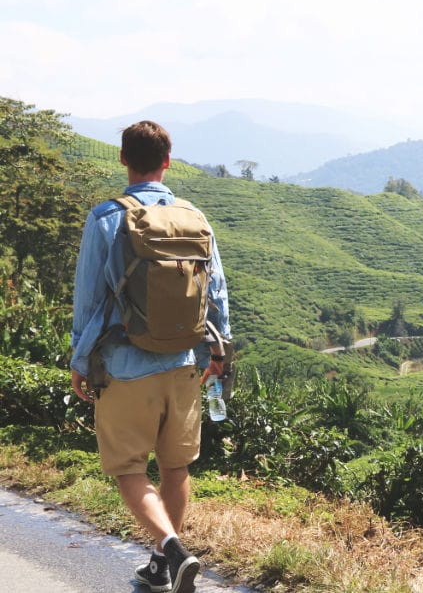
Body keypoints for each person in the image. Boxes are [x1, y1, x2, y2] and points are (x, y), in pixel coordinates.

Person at [70, 120, 231, 593]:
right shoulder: (194, 217)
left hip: (125, 364)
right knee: (176, 466)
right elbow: (216, 292)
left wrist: (80, 362)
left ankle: (172, 548)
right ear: (168, 160)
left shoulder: (105, 217)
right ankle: (163, 564)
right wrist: (218, 351)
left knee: (129, 468)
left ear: (122, 159)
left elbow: (89, 299)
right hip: (184, 362)